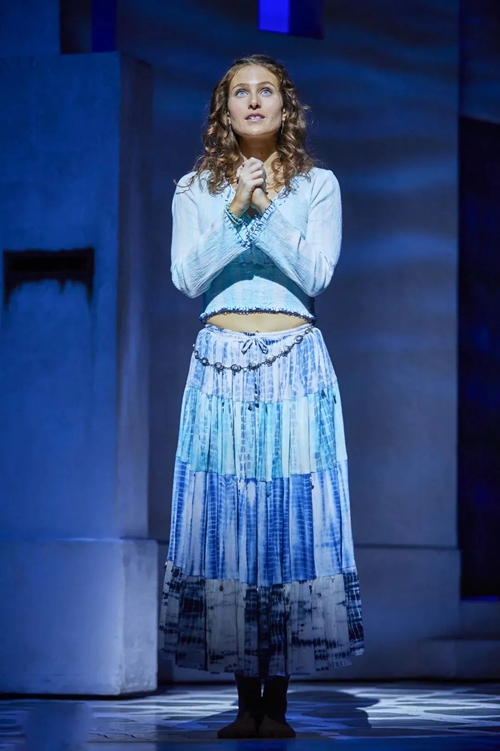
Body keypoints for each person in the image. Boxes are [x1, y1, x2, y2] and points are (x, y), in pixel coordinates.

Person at [159, 53, 364, 740]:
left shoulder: (317, 184)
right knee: (229, 527)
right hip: (219, 363)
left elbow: (317, 272)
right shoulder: (195, 187)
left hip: (294, 362)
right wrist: (233, 211)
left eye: (266, 90)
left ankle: (276, 702)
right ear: (224, 109)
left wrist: (266, 210)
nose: (253, 101)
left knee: (288, 525)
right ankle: (243, 699)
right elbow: (186, 277)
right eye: (240, 92)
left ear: (285, 105)